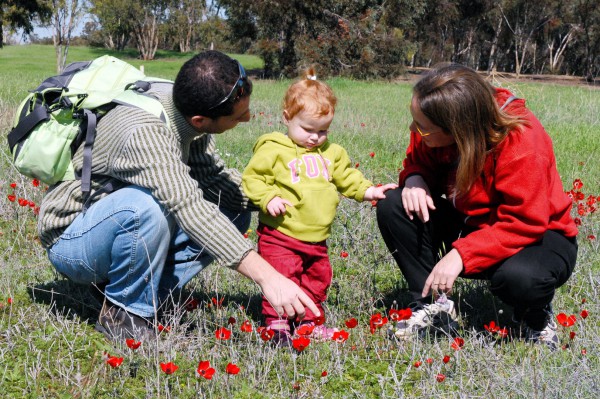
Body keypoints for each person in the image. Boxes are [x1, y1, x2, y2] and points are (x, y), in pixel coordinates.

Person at [38, 50, 321, 341]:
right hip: (73, 238)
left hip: (113, 226)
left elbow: (210, 179)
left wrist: (282, 196)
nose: (248, 118)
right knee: (146, 208)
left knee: (232, 208)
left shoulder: (184, 107)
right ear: (200, 120)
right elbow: (190, 208)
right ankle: (123, 314)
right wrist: (269, 278)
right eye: (239, 116)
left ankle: (141, 293)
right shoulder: (144, 134)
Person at [376, 63, 578, 350]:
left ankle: (536, 317)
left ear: (457, 129)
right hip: (473, 224)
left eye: (422, 128)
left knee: (520, 279)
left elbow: (526, 221)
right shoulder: (435, 121)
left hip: (538, 236)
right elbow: (419, 160)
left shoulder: (521, 141)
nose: (413, 129)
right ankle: (432, 306)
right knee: (395, 204)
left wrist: (461, 254)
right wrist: (415, 179)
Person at [242, 69, 397, 345]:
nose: (315, 137)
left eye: (322, 130)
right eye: (308, 129)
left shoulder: (332, 153)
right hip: (281, 234)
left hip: (317, 238)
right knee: (283, 275)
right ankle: (277, 323)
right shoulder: (273, 149)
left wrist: (369, 190)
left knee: (318, 278)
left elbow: (347, 177)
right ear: (287, 118)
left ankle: (308, 322)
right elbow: (252, 179)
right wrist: (268, 198)